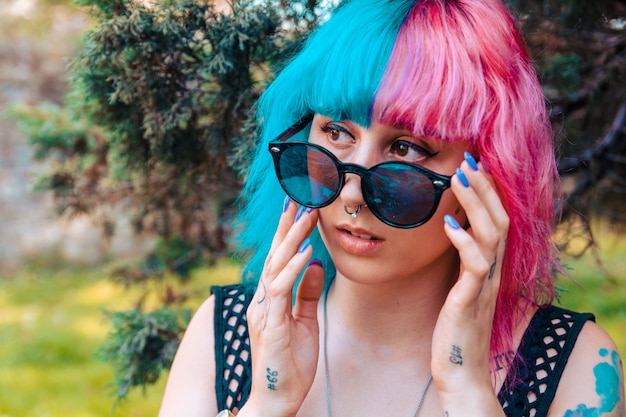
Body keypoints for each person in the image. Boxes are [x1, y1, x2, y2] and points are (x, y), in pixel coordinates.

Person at [158, 0, 625, 416]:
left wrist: (469, 396)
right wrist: (267, 404)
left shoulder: (576, 368)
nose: (351, 194)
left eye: (406, 149)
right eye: (337, 132)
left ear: (488, 172)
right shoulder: (224, 337)